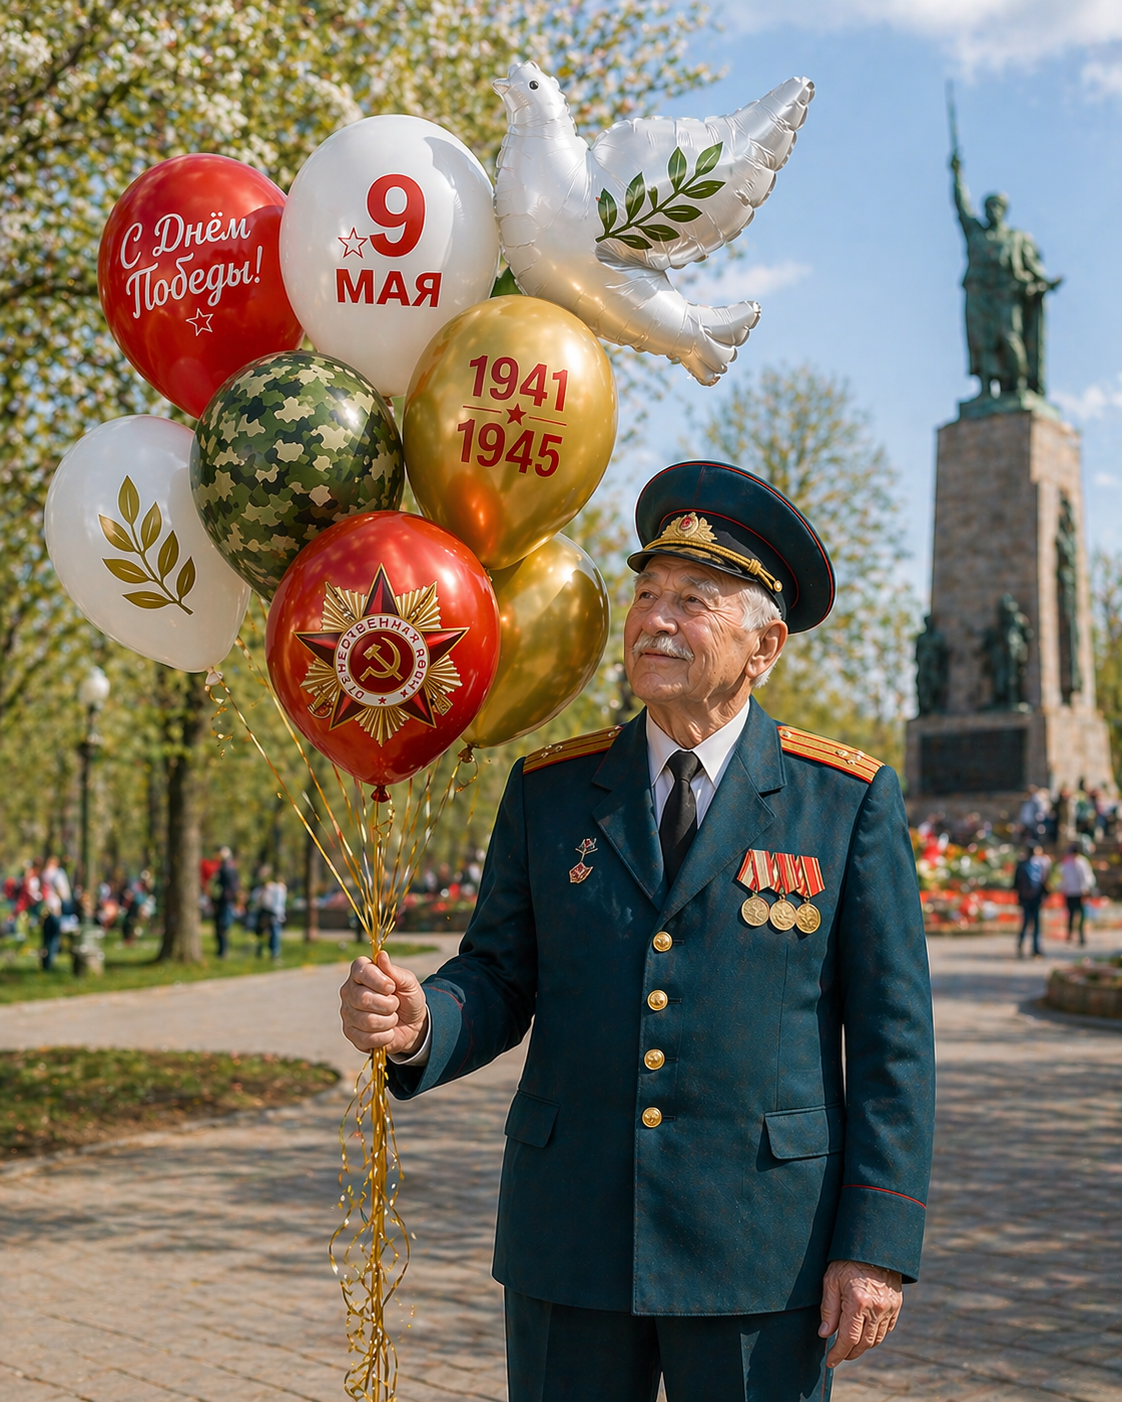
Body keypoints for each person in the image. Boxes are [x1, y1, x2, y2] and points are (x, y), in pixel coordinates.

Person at [340, 460, 936, 1402]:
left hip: (761, 1245)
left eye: (694, 601)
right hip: (570, 1233)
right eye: (646, 592)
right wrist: (423, 1023)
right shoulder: (551, 790)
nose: (655, 618)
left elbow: (895, 1041)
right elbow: (498, 975)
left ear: (764, 645)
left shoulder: (843, 800)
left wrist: (875, 1244)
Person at [1013, 842, 1051, 958]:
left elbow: (1015, 882)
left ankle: (1022, 944)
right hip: (1036, 897)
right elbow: (1044, 880)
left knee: (1026, 922)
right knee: (1036, 924)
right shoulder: (1039, 864)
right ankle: (1035, 948)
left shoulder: (1021, 864)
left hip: (1026, 898)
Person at [1058, 843, 1095, 946]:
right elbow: (1064, 877)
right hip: (1070, 892)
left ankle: (1081, 936)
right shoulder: (1067, 863)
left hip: (1080, 892)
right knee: (1070, 915)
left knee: (1081, 915)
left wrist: (1085, 889)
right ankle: (1069, 935)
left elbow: (1086, 877)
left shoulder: (1082, 862)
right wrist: (1061, 888)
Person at [39, 856, 71, 972]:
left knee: (45, 938)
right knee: (54, 937)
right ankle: (49, 963)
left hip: (44, 909)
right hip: (55, 908)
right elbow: (64, 893)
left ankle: (44, 962)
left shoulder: (43, 874)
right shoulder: (58, 874)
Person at [210, 847, 239, 958]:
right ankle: (222, 950)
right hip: (223, 901)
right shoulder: (227, 869)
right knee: (221, 927)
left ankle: (222, 951)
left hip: (224, 901)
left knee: (222, 926)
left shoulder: (225, 870)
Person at [253, 866, 286, 961]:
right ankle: (262, 952)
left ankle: (273, 953)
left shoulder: (275, 888)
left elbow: (276, 902)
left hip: (272, 912)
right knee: (263, 933)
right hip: (266, 912)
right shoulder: (263, 888)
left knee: (273, 933)